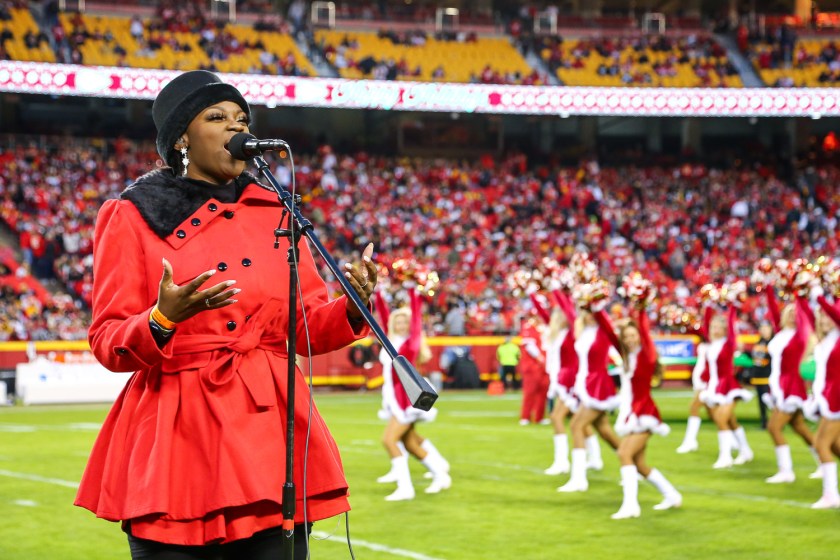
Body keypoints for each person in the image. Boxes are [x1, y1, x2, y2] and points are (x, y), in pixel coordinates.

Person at [74, 70, 377, 560]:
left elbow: (303, 328)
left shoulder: (278, 211)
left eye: (241, 118)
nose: (237, 129)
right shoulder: (132, 214)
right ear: (182, 140)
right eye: (217, 118)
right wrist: (161, 318)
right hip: (177, 433)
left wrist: (353, 306)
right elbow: (108, 339)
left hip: (267, 430)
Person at [606, 300, 682, 519]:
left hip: (645, 414)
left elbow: (645, 331)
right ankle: (672, 495)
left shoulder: (647, 355)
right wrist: (594, 306)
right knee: (639, 464)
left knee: (624, 453)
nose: (630, 339)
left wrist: (639, 307)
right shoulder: (626, 356)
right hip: (632, 414)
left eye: (633, 335)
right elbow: (607, 330)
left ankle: (631, 506)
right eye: (626, 337)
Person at [375, 289, 452, 501]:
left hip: (406, 399)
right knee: (410, 443)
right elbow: (382, 317)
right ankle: (440, 473)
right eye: (397, 322)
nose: (400, 325)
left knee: (389, 441)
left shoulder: (412, 343)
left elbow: (417, 320)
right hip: (394, 399)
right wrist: (380, 294)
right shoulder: (390, 341)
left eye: (404, 322)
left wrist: (413, 294)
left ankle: (406, 488)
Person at [558, 290, 622, 493]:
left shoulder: (604, 331)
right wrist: (556, 288)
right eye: (584, 310)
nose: (586, 314)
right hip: (584, 384)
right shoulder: (582, 330)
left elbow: (604, 319)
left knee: (577, 425)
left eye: (589, 310)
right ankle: (633, 465)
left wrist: (597, 303)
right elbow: (568, 310)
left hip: (598, 385)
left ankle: (579, 479)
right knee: (604, 431)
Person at [761, 290, 820, 484]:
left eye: (797, 313)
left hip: (792, 386)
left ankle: (786, 471)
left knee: (773, 427)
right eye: (790, 312)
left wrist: (799, 293)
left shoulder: (801, 336)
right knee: (800, 427)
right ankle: (823, 463)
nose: (794, 316)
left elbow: (806, 315)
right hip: (779, 384)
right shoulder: (780, 333)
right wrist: (768, 287)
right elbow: (771, 307)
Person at [699, 303, 755, 469]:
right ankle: (746, 451)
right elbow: (705, 321)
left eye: (718, 327)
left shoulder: (728, 343)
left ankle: (725, 456)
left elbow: (731, 326)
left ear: (724, 329)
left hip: (728, 386)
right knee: (730, 421)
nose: (715, 329)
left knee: (721, 419)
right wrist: (708, 305)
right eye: (713, 327)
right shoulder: (711, 345)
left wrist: (732, 307)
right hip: (715, 386)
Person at [805, 296, 840, 509]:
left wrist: (820, 293)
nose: (825, 320)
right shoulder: (825, 340)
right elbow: (808, 317)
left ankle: (831, 495)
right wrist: (800, 295)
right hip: (828, 396)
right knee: (835, 446)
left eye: (829, 316)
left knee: (821, 444)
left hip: (838, 397)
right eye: (821, 317)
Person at [541, 290, 578, 475]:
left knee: (557, 417)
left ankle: (562, 461)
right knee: (590, 425)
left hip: (571, 381)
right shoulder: (558, 334)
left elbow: (570, 312)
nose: (556, 318)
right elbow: (542, 314)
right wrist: (532, 293)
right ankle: (595, 459)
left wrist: (557, 289)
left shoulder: (572, 332)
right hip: (561, 380)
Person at [677, 310, 711, 454]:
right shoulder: (703, 340)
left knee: (694, 407)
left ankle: (690, 441)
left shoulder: (713, 342)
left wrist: (709, 306)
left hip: (707, 382)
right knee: (716, 415)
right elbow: (691, 328)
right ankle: (739, 444)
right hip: (700, 381)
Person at [519, 312, 548, 424]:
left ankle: (539, 417)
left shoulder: (543, 328)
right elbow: (530, 346)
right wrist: (540, 358)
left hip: (544, 365)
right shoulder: (528, 328)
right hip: (532, 366)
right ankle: (525, 417)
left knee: (543, 391)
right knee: (530, 391)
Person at [746, 321, 773, 429]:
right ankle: (764, 422)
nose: (764, 330)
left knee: (770, 400)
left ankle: (776, 421)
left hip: (768, 376)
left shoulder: (773, 342)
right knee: (761, 401)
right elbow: (756, 357)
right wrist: (744, 351)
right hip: (758, 376)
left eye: (766, 328)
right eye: (762, 328)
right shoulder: (759, 342)